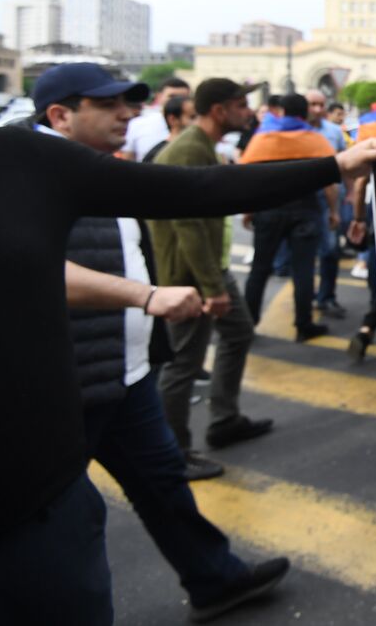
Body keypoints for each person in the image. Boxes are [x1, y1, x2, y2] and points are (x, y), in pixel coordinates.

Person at [0, 62, 376, 625]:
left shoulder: (34, 163)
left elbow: (199, 194)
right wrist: (145, 295)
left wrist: (334, 166)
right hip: (56, 421)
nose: (128, 114)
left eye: (130, 103)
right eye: (109, 104)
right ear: (61, 114)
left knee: (160, 483)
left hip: (112, 386)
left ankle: (216, 578)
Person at [152, 79, 275, 474]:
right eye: (241, 105)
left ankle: (223, 420)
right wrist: (211, 288)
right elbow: (187, 224)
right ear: (219, 111)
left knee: (238, 333)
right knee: (184, 362)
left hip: (209, 267)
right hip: (190, 275)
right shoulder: (189, 150)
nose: (248, 112)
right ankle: (173, 452)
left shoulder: (203, 147)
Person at [240, 93, 340, 342]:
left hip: (268, 210)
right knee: (303, 270)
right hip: (306, 211)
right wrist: (334, 211)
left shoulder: (263, 138)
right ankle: (304, 325)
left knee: (260, 269)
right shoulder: (315, 140)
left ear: (280, 112)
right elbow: (330, 182)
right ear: (305, 112)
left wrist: (248, 210)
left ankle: (248, 324)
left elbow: (245, 178)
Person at [305, 89, 349, 320]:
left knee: (330, 251)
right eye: (312, 104)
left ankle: (326, 297)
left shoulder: (334, 132)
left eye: (321, 104)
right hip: (304, 201)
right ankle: (305, 299)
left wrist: (350, 194)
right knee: (303, 253)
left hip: (330, 199)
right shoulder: (295, 131)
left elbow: (346, 164)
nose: (317, 109)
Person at [121, 76, 191, 161]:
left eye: (182, 97)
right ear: (159, 96)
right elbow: (127, 161)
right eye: (171, 96)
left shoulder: (196, 128)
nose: (176, 101)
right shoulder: (136, 124)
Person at [141, 94, 196, 165]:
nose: (198, 122)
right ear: (172, 119)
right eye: (193, 117)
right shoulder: (157, 154)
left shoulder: (197, 149)